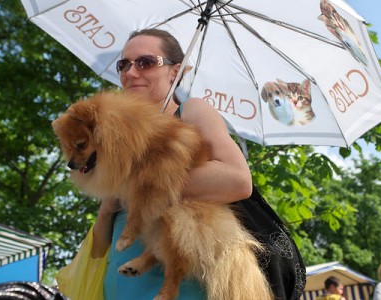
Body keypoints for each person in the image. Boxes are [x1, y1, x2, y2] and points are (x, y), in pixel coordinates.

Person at [91, 28, 305, 299]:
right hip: (121, 286)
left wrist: (135, 182)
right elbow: (99, 248)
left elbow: (238, 180)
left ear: (175, 71)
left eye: (145, 62)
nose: (131, 72)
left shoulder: (191, 111)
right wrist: (108, 206)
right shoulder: (118, 140)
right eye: (124, 64)